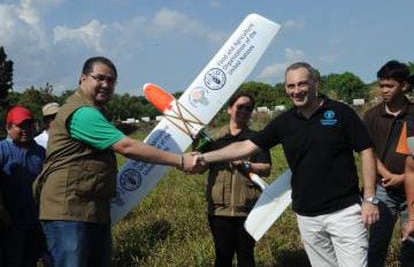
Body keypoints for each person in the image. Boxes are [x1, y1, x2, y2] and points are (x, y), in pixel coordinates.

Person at [190, 62, 379, 267]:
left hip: (344, 212)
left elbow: (366, 150)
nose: (296, 91)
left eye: (302, 84)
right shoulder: (284, 122)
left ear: (315, 82)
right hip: (307, 216)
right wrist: (203, 158)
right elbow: (245, 147)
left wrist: (369, 198)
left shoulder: (341, 112)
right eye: (291, 86)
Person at [33, 56, 194, 267]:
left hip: (91, 211)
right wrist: (180, 160)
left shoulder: (94, 112)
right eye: (99, 78)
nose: (106, 85)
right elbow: (126, 146)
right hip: (69, 212)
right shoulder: (82, 114)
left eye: (111, 81)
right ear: (82, 79)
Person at [194, 92, 271, 266]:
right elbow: (199, 168)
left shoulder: (256, 139)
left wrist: (247, 165)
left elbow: (266, 168)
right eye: (240, 106)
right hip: (219, 210)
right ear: (229, 109)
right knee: (223, 257)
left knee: (246, 257)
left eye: (248, 108)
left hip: (248, 208)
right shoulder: (214, 139)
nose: (244, 111)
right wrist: (196, 146)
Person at [364, 60, 414, 266]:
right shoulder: (372, 116)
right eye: (381, 85)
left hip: (412, 186)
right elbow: (367, 152)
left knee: (411, 241)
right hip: (383, 188)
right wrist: (387, 175)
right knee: (377, 241)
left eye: (389, 86)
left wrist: (402, 177)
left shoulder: (412, 114)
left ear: (403, 86)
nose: (384, 90)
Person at [0, 106, 47, 266]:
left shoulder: (40, 152)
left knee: (30, 261)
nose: (26, 129)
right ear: (8, 127)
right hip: (11, 225)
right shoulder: (2, 150)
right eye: (21, 125)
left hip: (36, 222)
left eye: (29, 125)